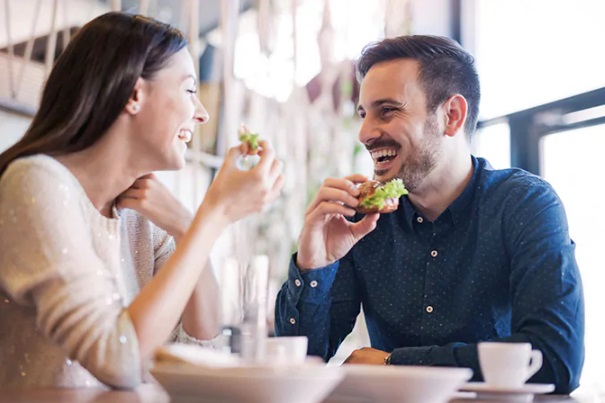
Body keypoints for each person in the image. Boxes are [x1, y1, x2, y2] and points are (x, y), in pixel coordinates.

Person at [275, 35, 583, 394]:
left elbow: (556, 359)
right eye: (363, 114)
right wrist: (315, 264)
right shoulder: (360, 221)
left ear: (451, 116)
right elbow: (297, 366)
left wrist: (396, 364)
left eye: (387, 110)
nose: (365, 133)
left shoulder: (524, 205)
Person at [0, 12, 284, 389]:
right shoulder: (35, 182)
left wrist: (187, 225)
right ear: (134, 94)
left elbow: (201, 343)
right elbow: (118, 360)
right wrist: (213, 216)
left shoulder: (139, 216)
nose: (201, 114)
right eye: (188, 90)